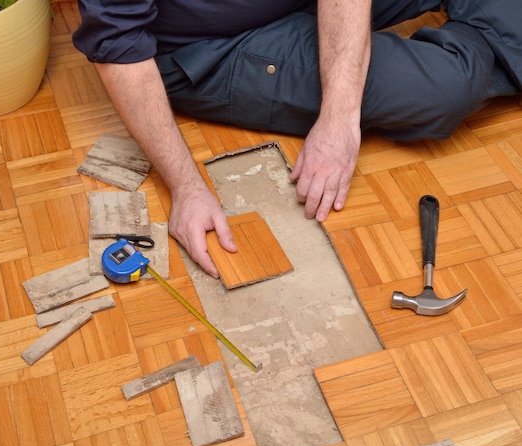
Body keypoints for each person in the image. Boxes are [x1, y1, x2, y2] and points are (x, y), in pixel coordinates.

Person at [72, 0, 521, 278]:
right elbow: (119, 44)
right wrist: (187, 188)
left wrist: (340, 115)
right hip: (218, 43)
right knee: (443, 87)